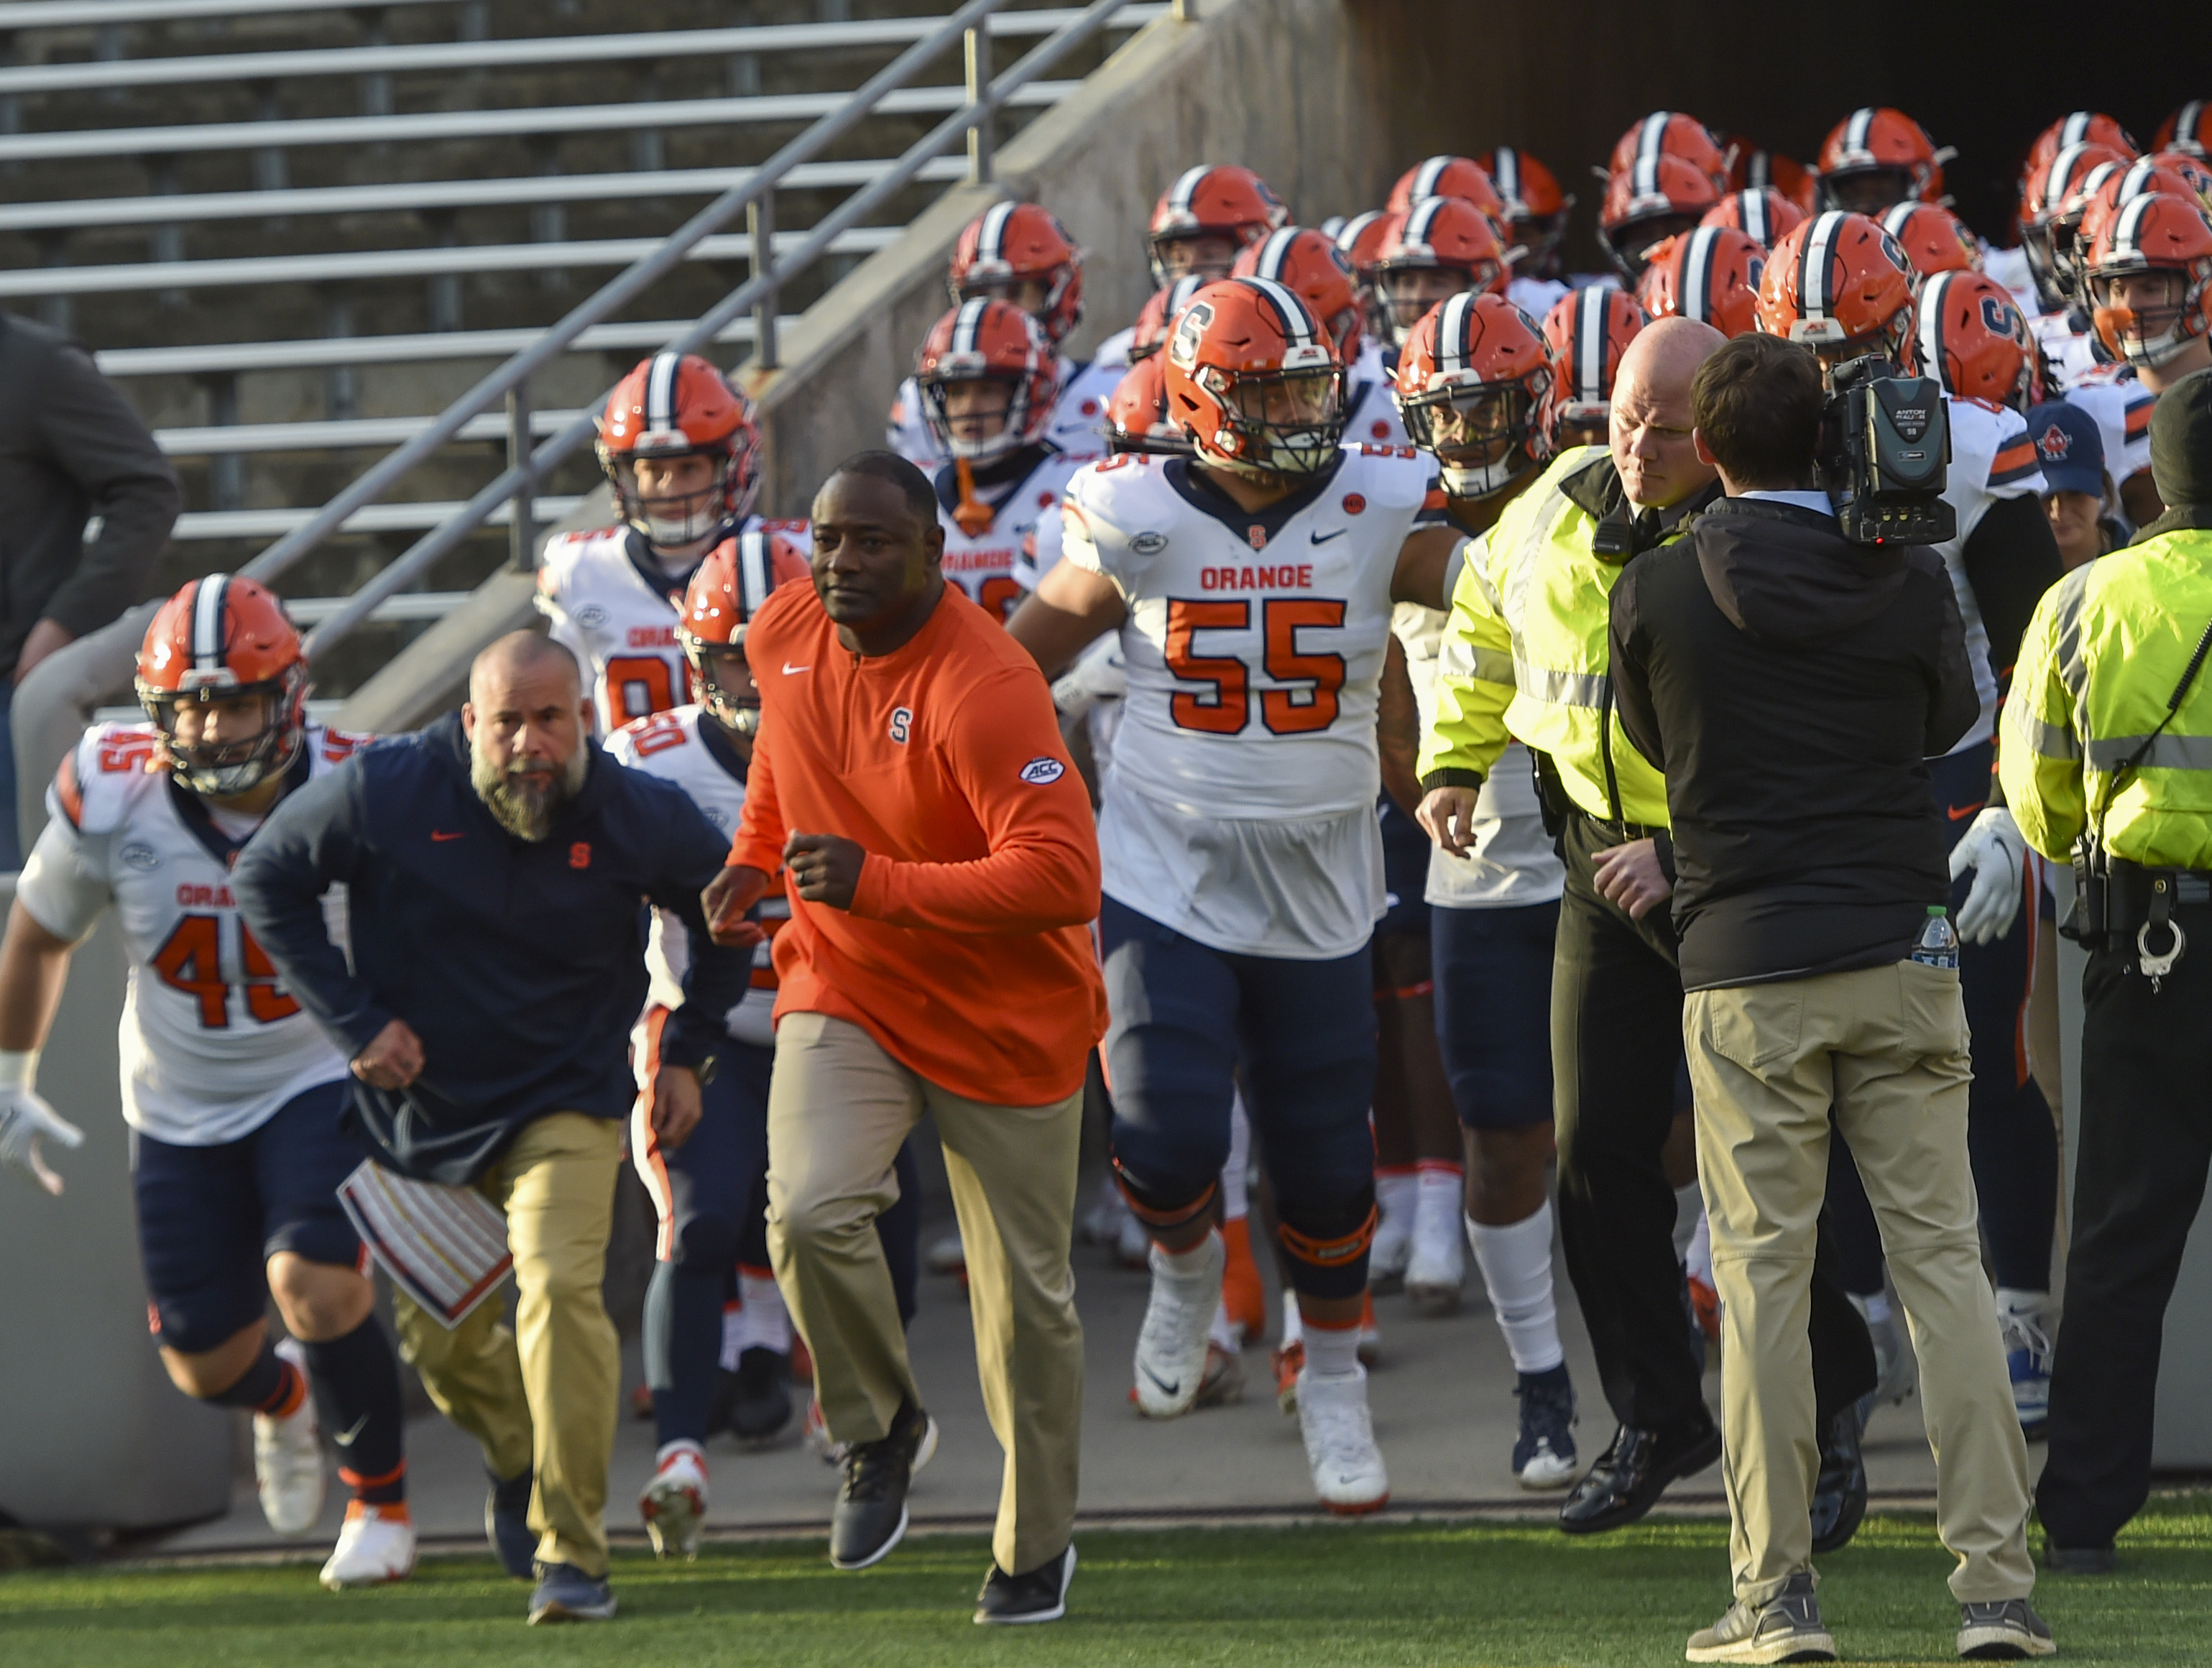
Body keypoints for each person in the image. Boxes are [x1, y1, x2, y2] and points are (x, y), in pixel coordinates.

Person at [1608, 331, 2050, 1663]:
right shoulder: (1906, 576)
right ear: (1830, 439)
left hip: (1743, 961)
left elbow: (1644, 737)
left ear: (1706, 446)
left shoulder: (1654, 590)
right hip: (1897, 946)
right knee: (1944, 1274)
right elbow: (1941, 724)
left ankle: (1775, 1598)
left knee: (1759, 1285)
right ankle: (1993, 1596)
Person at [1418, 318, 1876, 1542]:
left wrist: (1682, 856)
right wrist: (1454, 763)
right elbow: (1480, 631)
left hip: (1730, 874)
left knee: (1764, 1169)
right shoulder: (1552, 504)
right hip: (1591, 867)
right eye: (1620, 418)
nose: (1635, 446)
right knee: (1593, 1155)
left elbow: (1814, 735)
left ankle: (1834, 1414)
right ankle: (1658, 1412)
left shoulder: (1777, 524)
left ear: (1721, 427)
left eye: (1667, 429)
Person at [1008, 276, 1460, 1514]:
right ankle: (1183, 1268)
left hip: (1319, 879)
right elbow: (1010, 670)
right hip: (1167, 869)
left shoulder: (1375, 500)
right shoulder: (1132, 511)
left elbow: (1483, 610)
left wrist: (1433, 768)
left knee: (1324, 1175)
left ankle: (1331, 1386)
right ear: (1200, 403)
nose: (1298, 411)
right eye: (1266, 392)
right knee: (1159, 1136)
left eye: (1306, 385)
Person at [233, 631, 750, 1626]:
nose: (527, 743)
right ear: (468, 723)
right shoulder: (388, 787)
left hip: (567, 1103)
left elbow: (726, 910)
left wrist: (687, 1049)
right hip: (421, 1115)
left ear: (583, 721)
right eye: (505, 721)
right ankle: (520, 1464)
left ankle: (574, 1554)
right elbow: (269, 877)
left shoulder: (641, 813)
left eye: (548, 718)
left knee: (559, 1294)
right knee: (449, 1353)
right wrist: (353, 1022)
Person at [700, 451, 1104, 1623]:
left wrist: (877, 881)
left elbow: (1063, 875)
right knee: (806, 1208)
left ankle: (1033, 1548)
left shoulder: (987, 683)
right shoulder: (784, 626)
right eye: (828, 538)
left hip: (1005, 1014)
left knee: (1022, 1304)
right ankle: (877, 1430)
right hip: (849, 984)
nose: (841, 560)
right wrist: (747, 854)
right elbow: (786, 752)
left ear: (933, 555)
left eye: (872, 541)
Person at [0, 576, 411, 1590]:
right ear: (157, 713)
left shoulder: (356, 786)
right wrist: (13, 1074)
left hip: (317, 1072)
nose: (216, 727)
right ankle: (284, 1405)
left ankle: (380, 1503)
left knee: (310, 1284)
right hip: (179, 1102)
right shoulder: (115, 788)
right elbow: (39, 936)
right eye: (191, 705)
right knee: (200, 1358)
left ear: (291, 696)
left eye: (235, 702)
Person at [1758, 211, 2068, 1437]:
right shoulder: (1738, 452)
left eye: (1853, 349)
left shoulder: (1970, 448)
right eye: (1804, 352)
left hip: (1946, 774)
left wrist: (2006, 808)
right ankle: (1856, 1310)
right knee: (1821, 1063)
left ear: (1899, 333)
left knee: (1988, 1054)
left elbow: (2042, 647)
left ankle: (2018, 1306)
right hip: (1812, 792)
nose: (1830, 380)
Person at [2003, 367, 2212, 1574]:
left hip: (2148, 947)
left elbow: (2035, 800)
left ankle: (2080, 1514)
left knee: (2122, 1242)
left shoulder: (2085, 600)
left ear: (2152, 478)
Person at [1391, 291, 1580, 1488]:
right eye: (1443, 412)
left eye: (1484, 406)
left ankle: (1677, 1316)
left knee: (1662, 1132)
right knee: (1502, 1139)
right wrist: (1413, 786)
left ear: (1535, 399)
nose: (1463, 434)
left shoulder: (1591, 507)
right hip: (1476, 885)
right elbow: (1379, 692)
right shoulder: (1397, 530)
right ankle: (1540, 1377)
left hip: (1604, 861)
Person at [610, 536, 816, 1557]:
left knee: (859, 1229)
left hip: (845, 1023)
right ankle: (681, 1455)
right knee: (696, 1220)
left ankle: (851, 1407)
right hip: (708, 1027)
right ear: (698, 660)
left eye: (779, 647)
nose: (759, 675)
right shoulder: (646, 757)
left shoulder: (873, 730)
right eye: (735, 654)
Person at [538, 351, 806, 733]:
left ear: (731, 464)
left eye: (688, 468)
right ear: (623, 473)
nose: (669, 488)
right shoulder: (579, 569)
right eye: (652, 470)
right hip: (630, 786)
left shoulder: (791, 556)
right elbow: (569, 709)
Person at [0, 311, 180, 869]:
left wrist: (61, 627)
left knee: (17, 908)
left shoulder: (37, 367)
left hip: (8, 698)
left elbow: (147, 492)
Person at [910, 298, 1102, 624]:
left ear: (1031, 393)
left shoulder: (1080, 486)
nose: (969, 407)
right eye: (956, 392)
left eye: (987, 389)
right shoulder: (913, 493)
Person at [886, 201, 1120, 468]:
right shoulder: (919, 400)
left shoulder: (1110, 393)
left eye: (1015, 292)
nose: (996, 310)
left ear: (1060, 292)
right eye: (979, 294)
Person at [2024, 399, 2116, 567]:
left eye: (2075, 492)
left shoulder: (2139, 561)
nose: (2058, 512)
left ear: (2103, 487)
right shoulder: (2004, 577)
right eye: (2044, 496)